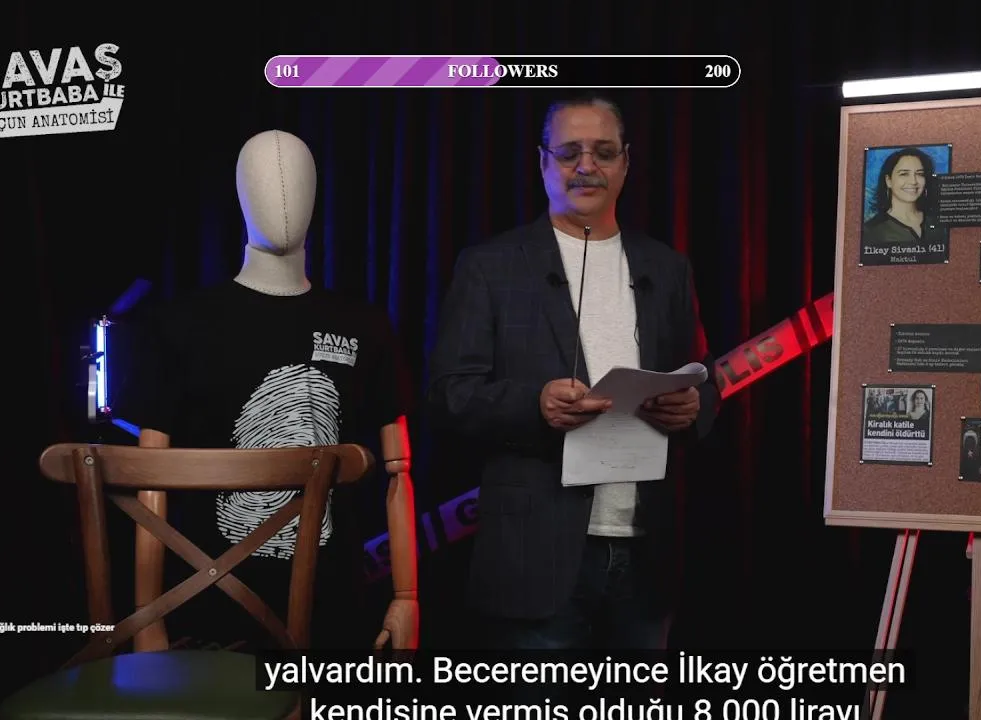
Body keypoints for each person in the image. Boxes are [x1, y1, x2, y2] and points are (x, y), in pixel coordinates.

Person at [426, 94, 719, 651]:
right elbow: (448, 395)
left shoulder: (667, 267)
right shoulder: (490, 266)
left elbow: (705, 380)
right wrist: (533, 404)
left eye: (603, 152)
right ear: (543, 162)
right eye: (569, 152)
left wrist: (694, 406)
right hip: (534, 557)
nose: (587, 166)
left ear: (626, 163)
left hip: (647, 558)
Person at [124, 129, 418, 651]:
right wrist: (149, 619)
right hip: (210, 615)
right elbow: (151, 485)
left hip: (335, 613)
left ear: (317, 194)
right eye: (264, 180)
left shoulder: (365, 325)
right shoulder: (178, 326)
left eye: (296, 181)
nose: (282, 196)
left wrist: (407, 596)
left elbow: (400, 471)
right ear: (240, 194)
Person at [861, 147, 949, 249]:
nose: (913, 181)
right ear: (888, 180)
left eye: (920, 174)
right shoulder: (872, 230)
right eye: (904, 174)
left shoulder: (938, 222)